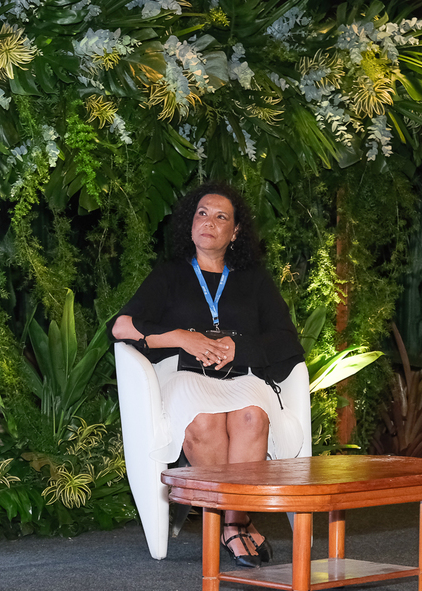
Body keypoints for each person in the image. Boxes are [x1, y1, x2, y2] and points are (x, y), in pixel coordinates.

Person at [111, 181, 305, 568]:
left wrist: (239, 348)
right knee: (204, 421)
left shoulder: (254, 281)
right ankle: (239, 524)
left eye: (221, 217)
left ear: (235, 233)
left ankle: (233, 522)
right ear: (190, 223)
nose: (209, 222)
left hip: (242, 376)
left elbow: (286, 340)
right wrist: (182, 337)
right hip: (185, 376)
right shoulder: (169, 275)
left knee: (252, 416)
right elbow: (120, 327)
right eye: (202, 213)